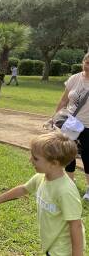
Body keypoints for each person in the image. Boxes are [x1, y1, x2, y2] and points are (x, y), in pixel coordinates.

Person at [0, 132, 85, 256]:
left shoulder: (65, 191)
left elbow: (75, 225)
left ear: (54, 163)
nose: (30, 160)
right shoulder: (41, 177)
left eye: (36, 158)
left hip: (63, 249)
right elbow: (23, 189)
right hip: (51, 243)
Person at [49, 52, 89, 200]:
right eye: (87, 63)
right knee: (68, 154)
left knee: (87, 157)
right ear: (82, 62)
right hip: (70, 124)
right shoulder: (74, 78)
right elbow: (63, 101)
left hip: (88, 126)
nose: (88, 66)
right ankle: (70, 183)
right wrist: (54, 117)